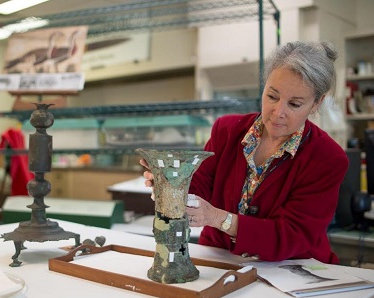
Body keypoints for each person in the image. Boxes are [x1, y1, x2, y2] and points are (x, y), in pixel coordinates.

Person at [141, 41, 348, 264]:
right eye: (272, 96)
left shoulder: (327, 158)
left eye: (294, 104)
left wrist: (217, 218)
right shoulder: (226, 132)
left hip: (291, 269)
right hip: (221, 259)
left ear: (317, 103)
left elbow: (292, 235)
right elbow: (199, 187)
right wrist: (172, 184)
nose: (278, 112)